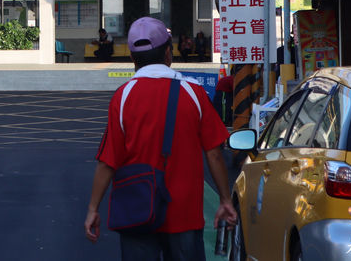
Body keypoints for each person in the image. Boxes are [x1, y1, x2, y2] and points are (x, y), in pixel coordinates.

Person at [85, 17, 237, 260]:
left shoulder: (123, 97)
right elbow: (214, 153)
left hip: (138, 210)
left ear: (133, 59)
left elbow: (108, 161)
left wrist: (93, 209)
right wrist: (225, 199)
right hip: (184, 215)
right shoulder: (194, 93)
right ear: (169, 53)